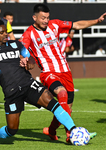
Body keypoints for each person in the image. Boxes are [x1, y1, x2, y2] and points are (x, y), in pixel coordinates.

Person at [19, 4, 104, 142]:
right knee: (61, 93)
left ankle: (51, 131)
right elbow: (21, 49)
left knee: (67, 109)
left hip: (65, 71)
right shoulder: (29, 33)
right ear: (34, 17)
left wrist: (97, 21)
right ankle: (72, 133)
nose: (46, 21)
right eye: (43, 18)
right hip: (48, 72)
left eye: (47, 17)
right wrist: (23, 59)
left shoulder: (55, 25)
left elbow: (76, 25)